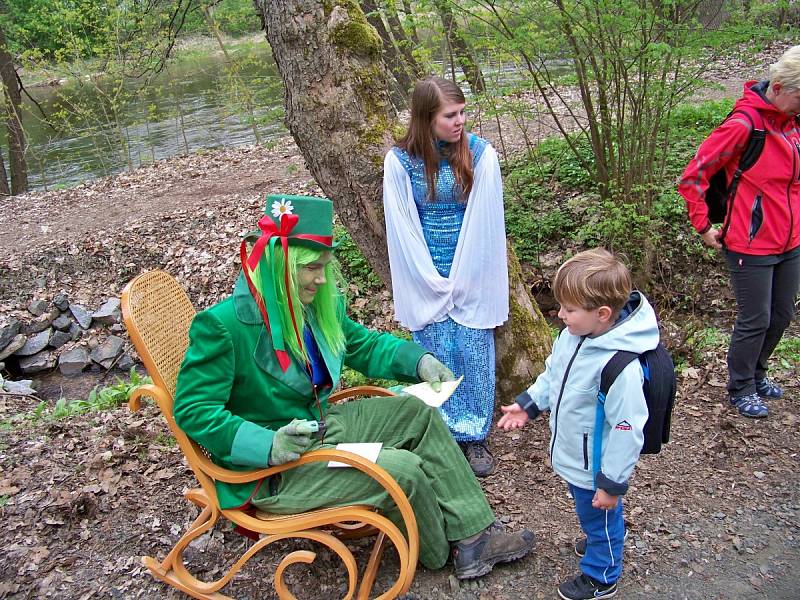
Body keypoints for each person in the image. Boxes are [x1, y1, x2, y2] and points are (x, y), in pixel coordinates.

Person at [173, 194, 534, 579]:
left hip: (321, 426)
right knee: (402, 468)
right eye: (311, 268)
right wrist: (269, 445)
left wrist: (417, 360)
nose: (322, 279)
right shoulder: (222, 326)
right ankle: (439, 552)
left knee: (418, 412)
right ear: (281, 265)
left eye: (325, 267)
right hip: (276, 470)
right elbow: (193, 410)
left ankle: (473, 534)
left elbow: (364, 346)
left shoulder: (313, 306)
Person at [498, 249, 658, 600]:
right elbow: (554, 374)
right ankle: (605, 532)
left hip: (596, 464)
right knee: (593, 513)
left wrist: (612, 483)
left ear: (602, 314)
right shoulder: (573, 338)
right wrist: (528, 406)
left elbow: (627, 431)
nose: (559, 315)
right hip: (576, 454)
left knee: (598, 514)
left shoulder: (620, 367)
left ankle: (603, 573)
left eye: (569, 310)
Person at [382, 76, 508, 477]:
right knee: (435, 351)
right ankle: (445, 433)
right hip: (424, 267)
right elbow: (401, 225)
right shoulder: (400, 161)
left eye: (462, 113)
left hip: (472, 265)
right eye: (449, 115)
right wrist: (427, 278)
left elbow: (485, 221)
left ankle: (475, 436)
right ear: (426, 118)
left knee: (473, 348)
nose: (460, 121)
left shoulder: (479, 155)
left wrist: (464, 277)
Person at [678, 44, 800, 419]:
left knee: (781, 315)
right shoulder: (744, 124)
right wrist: (703, 226)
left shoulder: (792, 124)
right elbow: (692, 176)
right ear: (778, 88)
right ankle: (741, 386)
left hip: (791, 240)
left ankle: (758, 374)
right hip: (750, 242)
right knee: (756, 318)